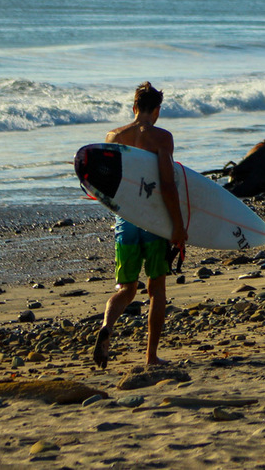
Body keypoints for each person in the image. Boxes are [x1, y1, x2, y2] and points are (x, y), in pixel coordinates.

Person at [92, 82, 187, 369]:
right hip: (154, 221)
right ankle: (151, 356)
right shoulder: (162, 138)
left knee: (126, 288)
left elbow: (106, 185)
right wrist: (178, 227)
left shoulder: (113, 136)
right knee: (156, 289)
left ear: (134, 108)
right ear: (156, 111)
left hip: (126, 221)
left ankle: (107, 325)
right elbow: (168, 185)